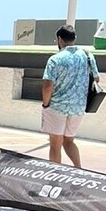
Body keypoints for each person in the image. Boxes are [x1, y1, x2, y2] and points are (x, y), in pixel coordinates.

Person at [41, 23, 98, 169]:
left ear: (59, 39)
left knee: (55, 144)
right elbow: (96, 79)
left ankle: (55, 175)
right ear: (74, 38)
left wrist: (45, 104)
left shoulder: (55, 59)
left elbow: (48, 86)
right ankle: (79, 169)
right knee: (69, 141)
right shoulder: (87, 56)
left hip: (57, 107)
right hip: (78, 107)